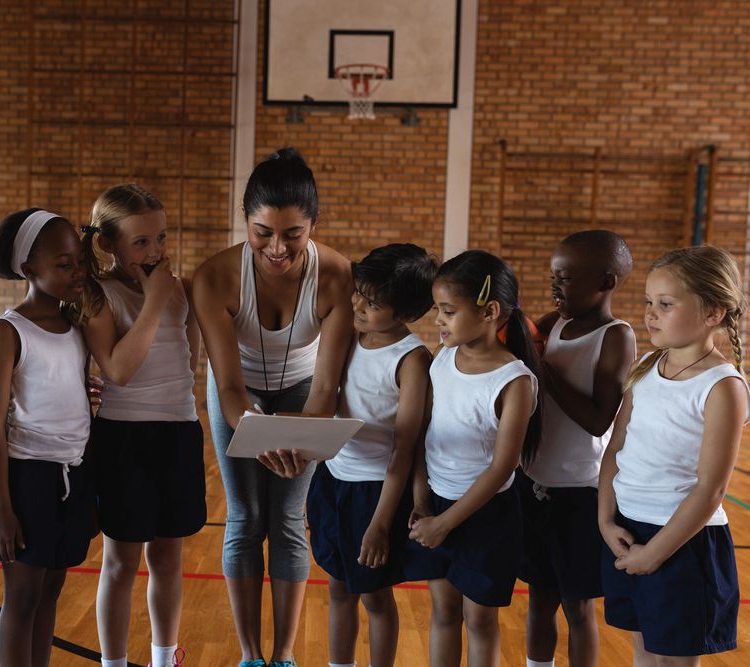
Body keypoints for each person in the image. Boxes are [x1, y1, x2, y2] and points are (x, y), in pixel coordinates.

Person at [193, 147, 354, 667]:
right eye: (262, 232)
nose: (277, 248)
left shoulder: (336, 276)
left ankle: (283, 656)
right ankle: (250, 655)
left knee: (286, 517)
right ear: (245, 220)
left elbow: (327, 389)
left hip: (305, 391)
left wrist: (301, 436)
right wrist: (261, 432)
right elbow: (230, 387)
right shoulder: (215, 277)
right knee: (245, 517)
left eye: (293, 234)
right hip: (240, 395)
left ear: (314, 225)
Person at [67, 184, 203, 667]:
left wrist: (167, 296)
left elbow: (191, 358)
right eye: (140, 242)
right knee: (121, 561)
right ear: (107, 244)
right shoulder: (98, 295)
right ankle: (114, 662)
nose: (155, 251)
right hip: (124, 436)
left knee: (168, 559)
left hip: (179, 431)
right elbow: (118, 370)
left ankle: (165, 658)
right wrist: (153, 300)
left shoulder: (180, 291)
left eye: (161, 238)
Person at [598, 246, 750, 664]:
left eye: (665, 304)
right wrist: (605, 518)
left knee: (674, 658)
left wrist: (655, 553)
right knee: (644, 649)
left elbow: (711, 488)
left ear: (713, 313)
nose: (650, 313)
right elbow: (615, 447)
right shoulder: (648, 365)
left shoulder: (722, 386)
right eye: (649, 302)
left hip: (683, 542)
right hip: (630, 527)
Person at [406, 249, 541, 667]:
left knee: (479, 619)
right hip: (437, 505)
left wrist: (444, 523)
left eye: (448, 311)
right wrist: (420, 499)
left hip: (486, 515)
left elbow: (504, 466)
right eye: (438, 311)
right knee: (444, 612)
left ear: (490, 311)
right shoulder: (443, 358)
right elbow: (423, 434)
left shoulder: (513, 380)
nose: (439, 321)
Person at [0, 208, 97, 667]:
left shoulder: (75, 325)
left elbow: (72, 393)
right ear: (28, 270)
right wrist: (1, 508)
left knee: (51, 592)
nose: (77, 272)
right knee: (22, 598)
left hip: (72, 473)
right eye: (63, 265)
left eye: (79, 262)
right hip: (26, 480)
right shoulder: (9, 331)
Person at [306, 244, 434, 667]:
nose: (357, 303)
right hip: (333, 480)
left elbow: (405, 448)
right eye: (358, 292)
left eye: (372, 302)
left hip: (376, 493)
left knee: (376, 597)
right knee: (338, 588)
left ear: (405, 314)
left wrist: (380, 524)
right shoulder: (351, 334)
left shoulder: (412, 360)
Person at [519, 231, 637, 667]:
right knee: (538, 598)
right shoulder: (555, 324)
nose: (554, 287)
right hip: (534, 480)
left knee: (578, 606)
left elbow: (598, 418)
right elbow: (519, 334)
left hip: (581, 490)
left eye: (565, 278)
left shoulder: (616, 336)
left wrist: (546, 374)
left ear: (605, 281)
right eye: (553, 277)